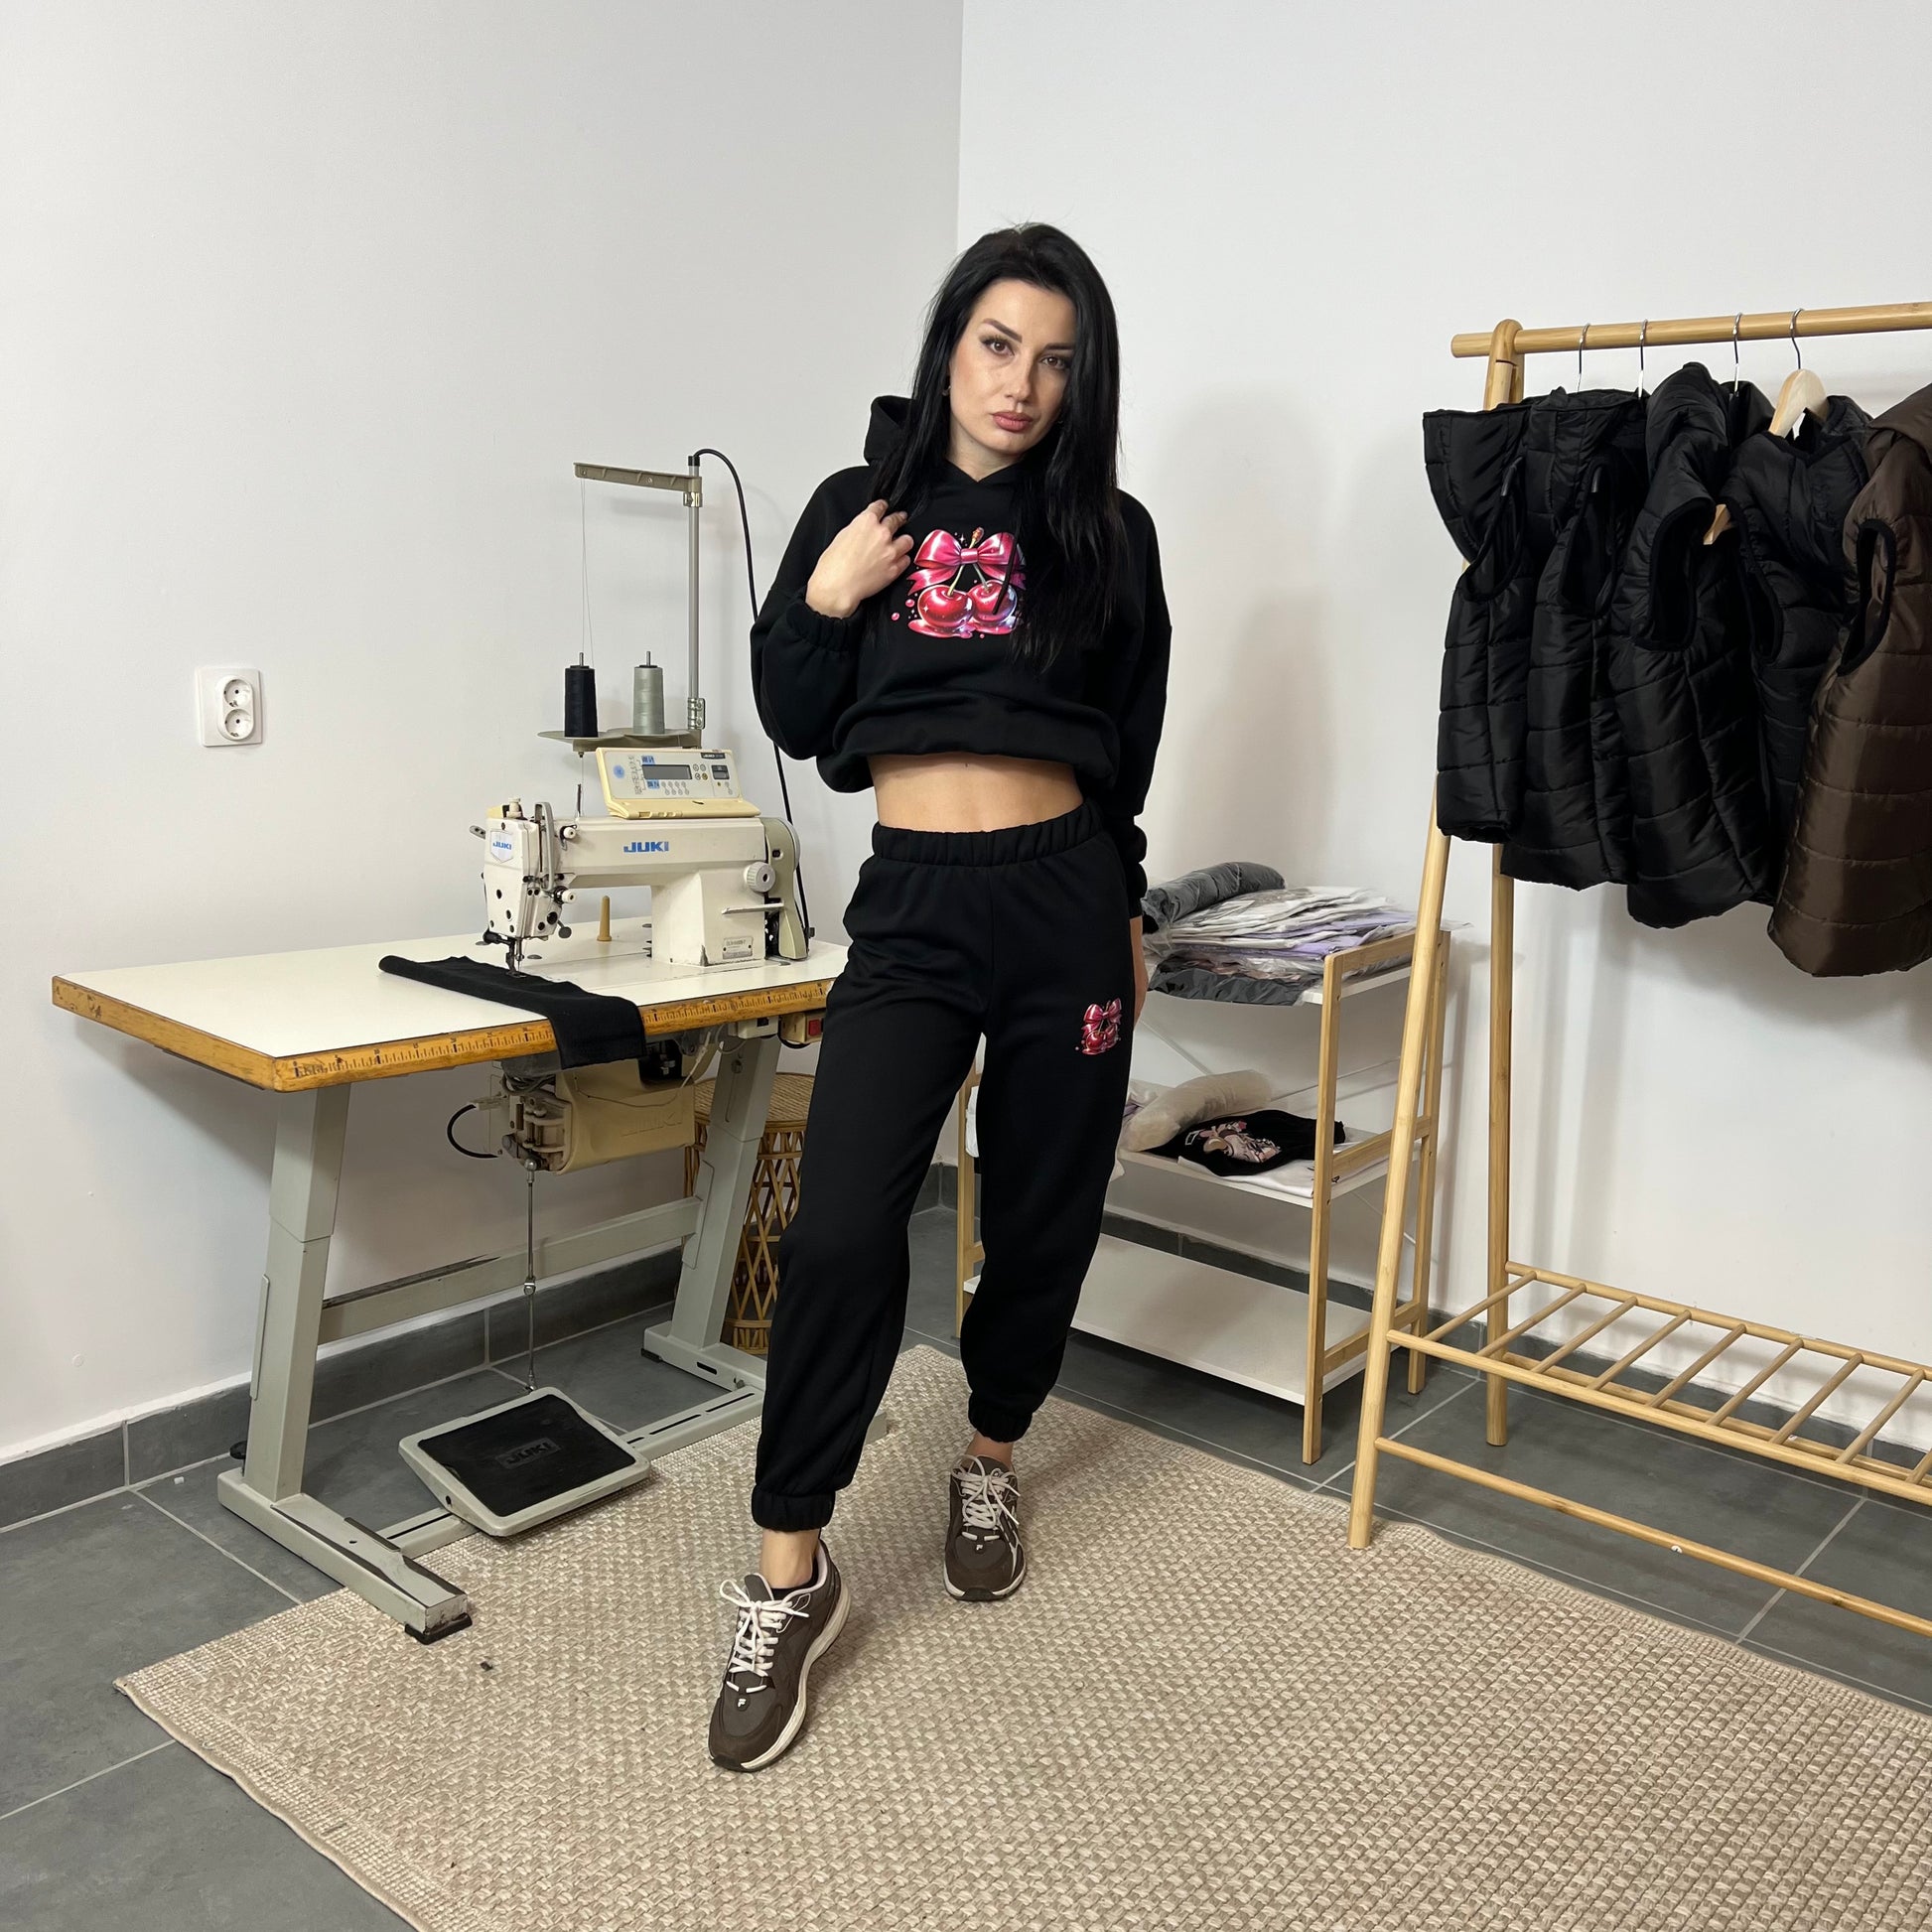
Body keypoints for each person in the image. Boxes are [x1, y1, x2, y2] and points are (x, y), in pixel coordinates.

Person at [709, 222, 1172, 1772]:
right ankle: (790, 1566)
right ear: (949, 344)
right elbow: (793, 710)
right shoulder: (861, 507)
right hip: (912, 906)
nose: (1020, 383)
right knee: (841, 1225)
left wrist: (1123, 905)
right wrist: (825, 593)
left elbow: (1128, 745)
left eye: (1056, 359)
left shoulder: (1111, 534)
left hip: (1064, 901)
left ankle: (989, 1451)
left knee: (1040, 1211)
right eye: (996, 343)